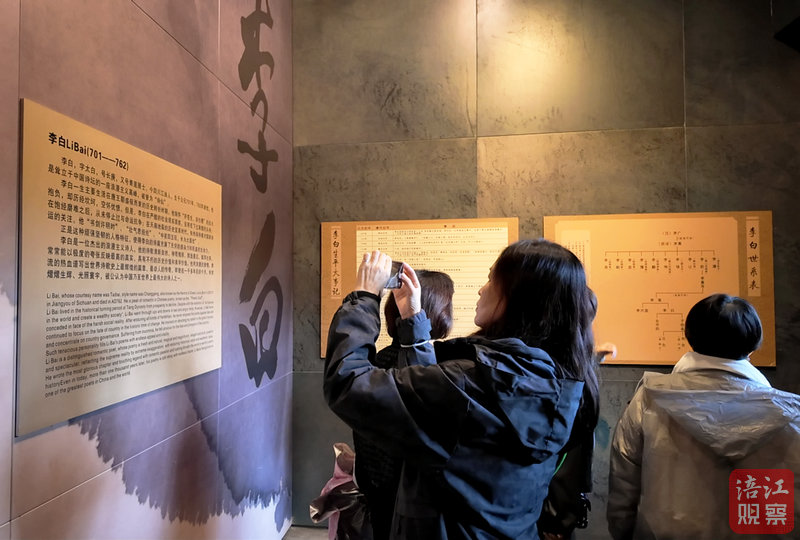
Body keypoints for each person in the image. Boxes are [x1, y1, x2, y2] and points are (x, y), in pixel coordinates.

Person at [324, 239, 598, 539]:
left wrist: (363, 298)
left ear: (519, 297)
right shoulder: (552, 381)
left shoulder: (468, 384)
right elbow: (438, 413)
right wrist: (414, 323)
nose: (482, 289)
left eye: (492, 279)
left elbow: (348, 383)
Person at [607, 293, 800, 540]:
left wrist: (622, 532)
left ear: (690, 337)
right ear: (753, 346)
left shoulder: (650, 398)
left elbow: (624, 481)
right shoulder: (790, 413)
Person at [353, 270, 455, 540]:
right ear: (436, 314)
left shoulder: (376, 361)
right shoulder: (440, 370)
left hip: (374, 483)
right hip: (417, 498)